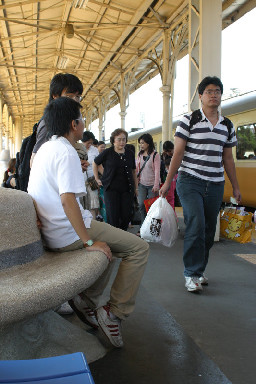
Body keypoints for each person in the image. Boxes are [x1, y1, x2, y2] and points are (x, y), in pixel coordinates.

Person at [27, 97, 149, 348]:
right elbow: (68, 201)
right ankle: (114, 312)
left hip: (51, 232)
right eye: (81, 119)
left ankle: (88, 299)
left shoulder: (43, 151)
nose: (83, 124)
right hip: (67, 233)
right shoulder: (66, 152)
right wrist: (89, 241)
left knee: (112, 245)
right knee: (138, 248)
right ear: (74, 124)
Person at [160, 76, 241, 293]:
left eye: (217, 91)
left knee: (208, 230)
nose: (214, 95)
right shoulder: (188, 120)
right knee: (195, 224)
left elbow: (228, 159)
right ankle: (191, 273)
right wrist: (168, 182)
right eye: (209, 91)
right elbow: (178, 153)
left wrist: (235, 186)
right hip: (190, 181)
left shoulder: (227, 125)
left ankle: (199, 270)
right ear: (200, 96)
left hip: (215, 184)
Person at [30, 73, 85, 168]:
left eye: (78, 97)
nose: (75, 101)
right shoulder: (48, 124)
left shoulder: (66, 120)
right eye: (69, 96)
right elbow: (34, 162)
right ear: (55, 96)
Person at [93, 129, 137, 230]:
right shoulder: (108, 152)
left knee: (126, 216)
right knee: (113, 217)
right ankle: (114, 240)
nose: (122, 142)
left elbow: (133, 171)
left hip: (127, 190)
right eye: (119, 140)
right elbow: (95, 163)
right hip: (111, 190)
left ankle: (123, 239)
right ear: (113, 141)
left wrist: (136, 188)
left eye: (124, 139)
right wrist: (97, 178)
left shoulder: (129, 153)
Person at [136, 133, 160, 234]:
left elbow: (157, 171)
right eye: (140, 143)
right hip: (142, 184)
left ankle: (152, 229)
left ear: (148, 143)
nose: (141, 145)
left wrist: (156, 185)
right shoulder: (139, 155)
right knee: (141, 204)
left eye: (142, 143)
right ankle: (143, 227)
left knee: (151, 208)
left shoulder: (155, 155)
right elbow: (137, 169)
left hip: (152, 186)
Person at [81, 131, 100, 219]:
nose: (90, 145)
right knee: (83, 204)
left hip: (92, 180)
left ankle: (94, 223)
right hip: (81, 181)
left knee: (93, 203)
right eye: (88, 143)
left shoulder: (95, 150)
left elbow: (99, 164)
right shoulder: (78, 149)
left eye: (91, 143)